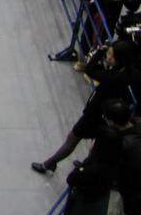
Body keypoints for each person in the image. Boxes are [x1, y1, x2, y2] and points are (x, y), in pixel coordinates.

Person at [32, 39, 137, 174]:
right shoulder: (129, 73)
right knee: (97, 142)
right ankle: (85, 163)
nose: (108, 57)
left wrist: (100, 52)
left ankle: (50, 163)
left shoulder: (113, 77)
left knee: (73, 138)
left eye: (111, 55)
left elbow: (90, 69)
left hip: (95, 114)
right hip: (106, 115)